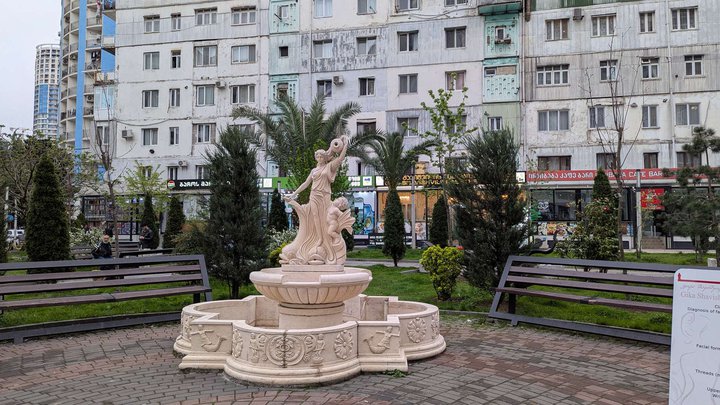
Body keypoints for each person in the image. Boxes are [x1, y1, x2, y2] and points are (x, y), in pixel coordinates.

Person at [280, 135, 352, 265]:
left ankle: (326, 242)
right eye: (317, 156)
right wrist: (294, 194)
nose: (319, 158)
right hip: (314, 195)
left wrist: (345, 145)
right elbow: (305, 184)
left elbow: (340, 158)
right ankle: (319, 239)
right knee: (315, 216)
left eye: (321, 156)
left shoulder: (329, 166)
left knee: (325, 218)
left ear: (325, 157)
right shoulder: (314, 170)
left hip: (325, 196)